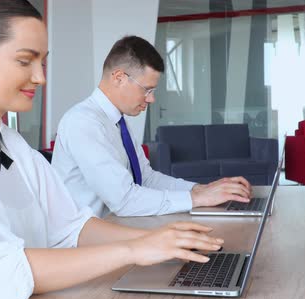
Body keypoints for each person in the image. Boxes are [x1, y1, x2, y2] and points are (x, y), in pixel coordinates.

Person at [0, 0, 223, 299]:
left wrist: (159, 240)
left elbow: (70, 227)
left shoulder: (12, 145)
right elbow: (3, 272)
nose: (40, 77)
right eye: (25, 61)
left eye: (43, 62)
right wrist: (133, 250)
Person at [51, 36, 252, 218]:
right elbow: (124, 201)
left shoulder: (118, 122)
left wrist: (200, 189)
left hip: (118, 230)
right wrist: (197, 199)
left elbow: (146, 179)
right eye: (147, 90)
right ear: (119, 78)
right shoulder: (83, 123)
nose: (152, 99)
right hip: (86, 246)